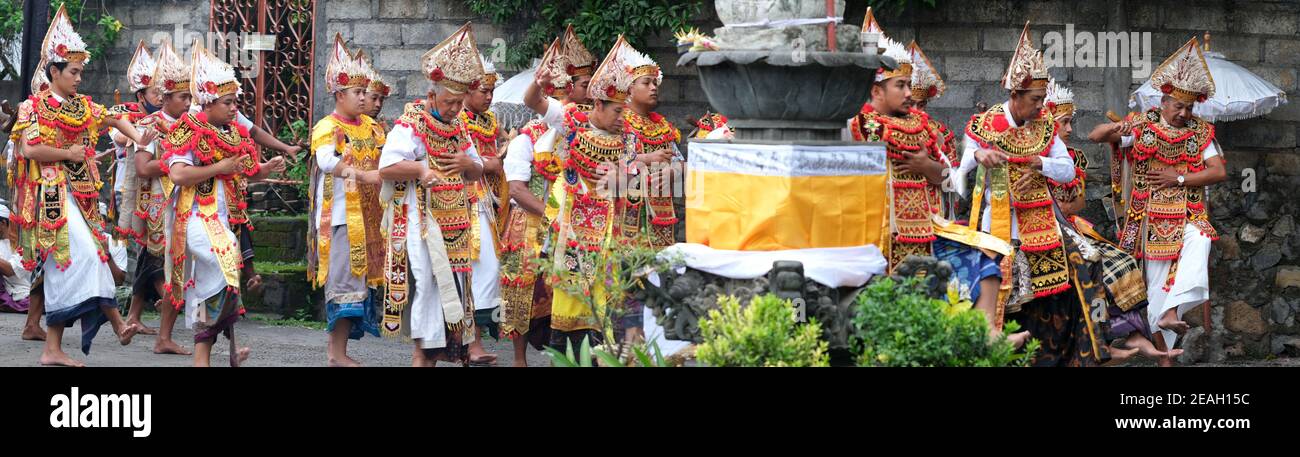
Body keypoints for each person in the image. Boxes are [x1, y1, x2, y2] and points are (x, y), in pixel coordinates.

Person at [1087, 38, 1226, 367]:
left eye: (1189, 107)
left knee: (1203, 237)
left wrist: (1177, 178)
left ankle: (1170, 312)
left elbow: (1218, 171)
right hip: (1147, 218)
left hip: (1188, 214)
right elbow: (1095, 136)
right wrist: (1120, 127)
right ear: (1163, 101)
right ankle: (1165, 356)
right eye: (1178, 105)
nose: (1184, 113)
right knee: (1156, 286)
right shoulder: (1143, 125)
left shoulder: (1198, 132)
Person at [161, 39, 286, 367]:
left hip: (222, 216)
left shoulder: (232, 134)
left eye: (235, 102)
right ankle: (229, 349)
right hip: (195, 217)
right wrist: (220, 168)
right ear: (209, 101)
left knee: (212, 284)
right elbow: (177, 175)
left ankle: (207, 357)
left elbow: (244, 171)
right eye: (229, 103)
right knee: (227, 260)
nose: (235, 109)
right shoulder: (186, 129)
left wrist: (264, 170)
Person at [378, 23, 484, 367]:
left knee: (453, 293)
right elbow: (387, 166)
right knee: (429, 289)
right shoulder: (412, 123)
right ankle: (422, 358)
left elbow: (478, 169)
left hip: (456, 224)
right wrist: (422, 170)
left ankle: (439, 356)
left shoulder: (460, 127)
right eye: (449, 102)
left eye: (459, 102)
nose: (455, 109)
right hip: (422, 224)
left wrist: (468, 162)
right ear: (432, 95)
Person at [308, 35, 387, 367]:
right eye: (357, 93)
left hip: (370, 218)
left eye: (364, 92)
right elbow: (327, 161)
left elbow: (387, 156)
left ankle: (337, 352)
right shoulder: (327, 127)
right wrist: (364, 175)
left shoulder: (371, 126)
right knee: (344, 285)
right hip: (340, 217)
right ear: (339, 95)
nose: (363, 98)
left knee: (358, 285)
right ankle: (336, 354)